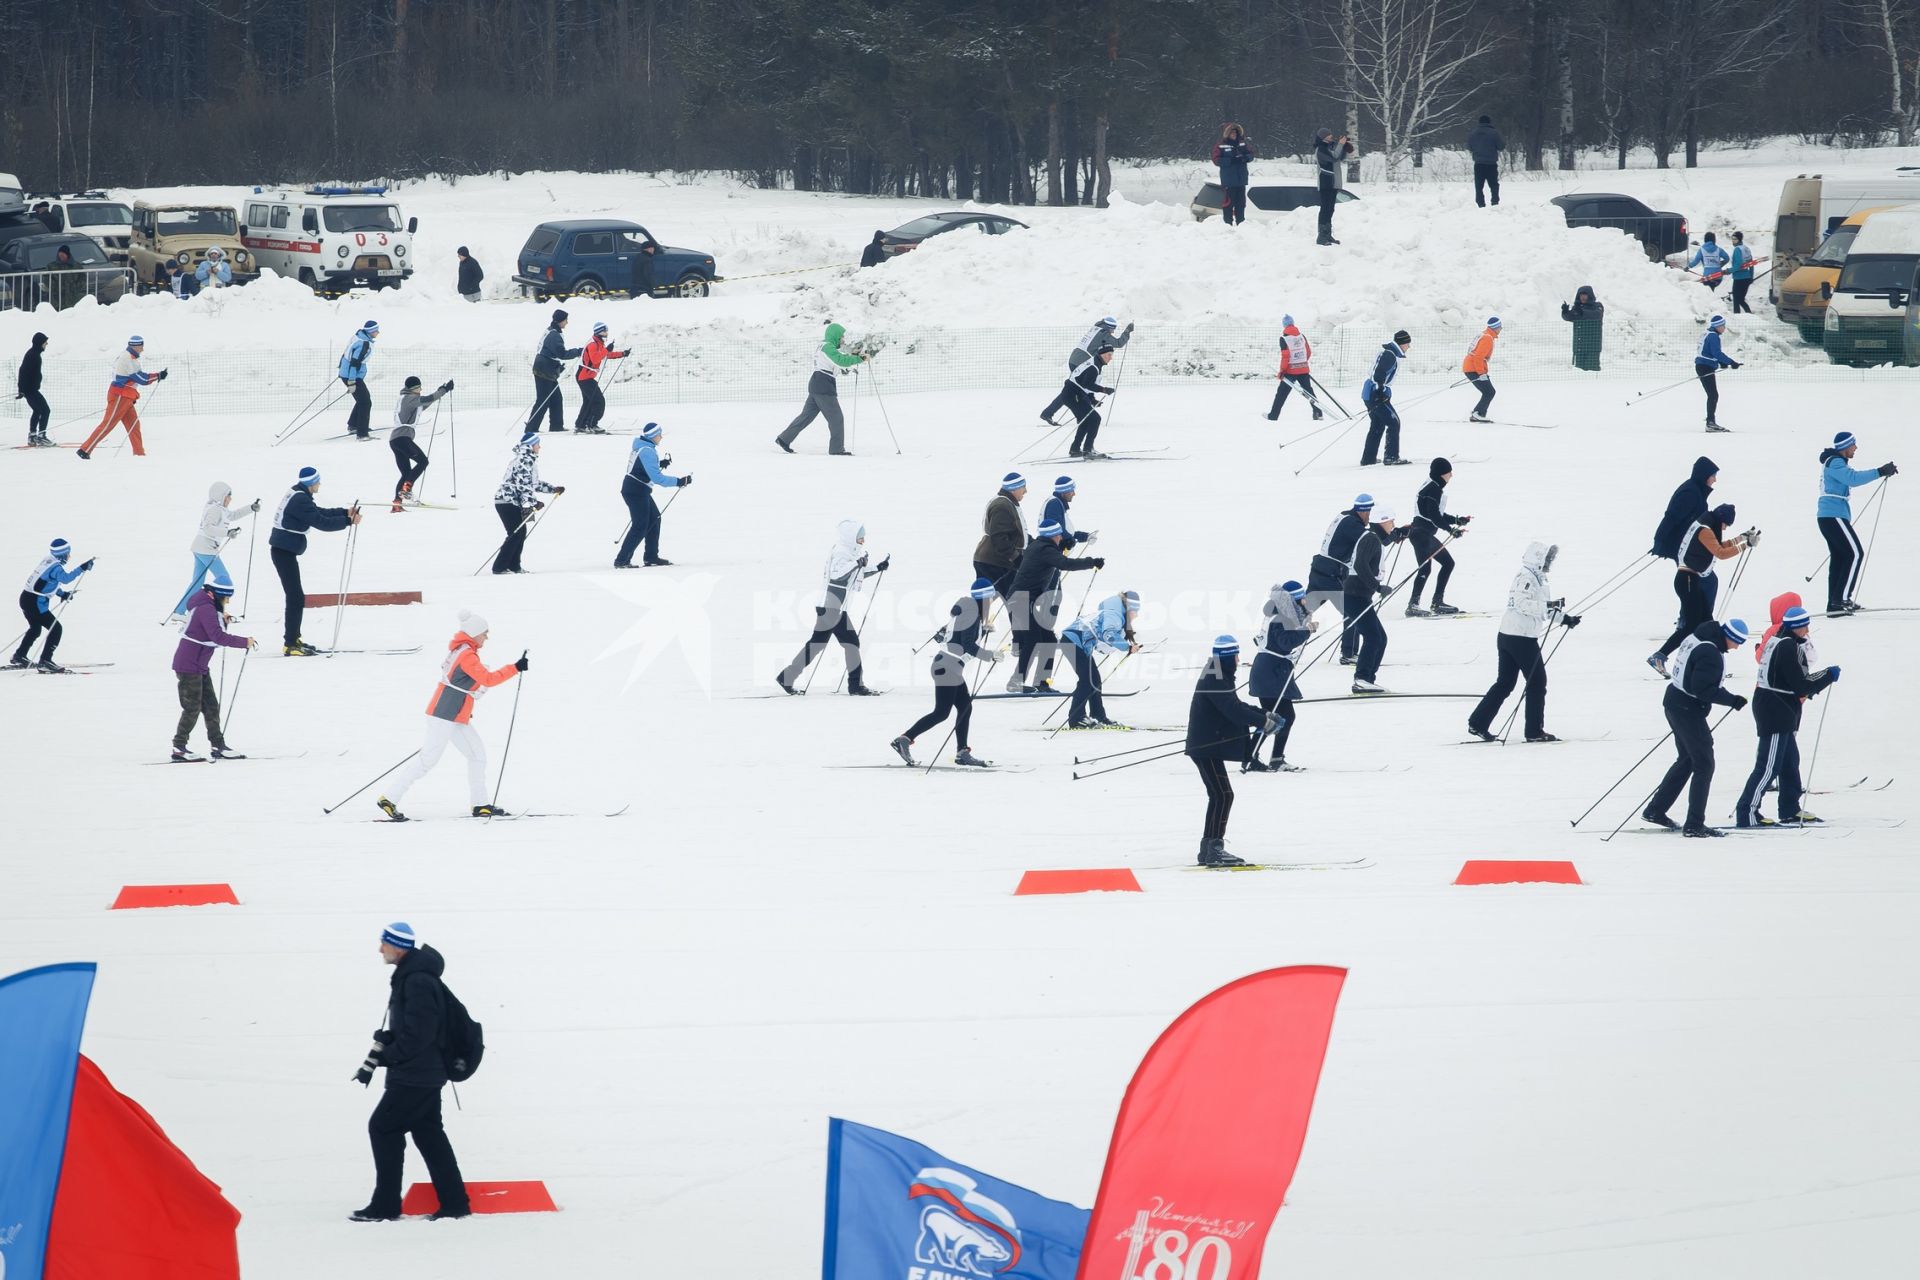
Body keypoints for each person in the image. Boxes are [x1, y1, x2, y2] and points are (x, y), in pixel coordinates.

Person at [349, 923, 472, 1222]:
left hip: (416, 1075)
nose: (380, 950)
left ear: (398, 946)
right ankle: (455, 1203)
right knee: (429, 1134)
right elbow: (417, 1030)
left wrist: (388, 1056)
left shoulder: (416, 981)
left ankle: (386, 1206)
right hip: (424, 1072)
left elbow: (421, 1034)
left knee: (383, 1127)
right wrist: (392, 1038)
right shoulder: (414, 977)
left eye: (384, 944)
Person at [376, 612, 525, 820]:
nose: (486, 638)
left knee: (477, 755)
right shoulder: (467, 655)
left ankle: (480, 805)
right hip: (444, 714)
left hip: (455, 716)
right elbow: (487, 679)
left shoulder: (463, 650)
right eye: (484, 633)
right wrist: (515, 668)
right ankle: (389, 798)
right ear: (474, 633)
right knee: (427, 760)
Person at [1643, 617, 1750, 837]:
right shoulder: (1710, 652)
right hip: (1686, 709)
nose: (1737, 647)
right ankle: (1694, 824)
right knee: (1704, 763)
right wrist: (1732, 700)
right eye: (1737, 642)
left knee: (1688, 759)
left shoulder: (1699, 636)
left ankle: (1655, 810)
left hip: (1675, 703)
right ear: (1728, 637)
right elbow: (1702, 689)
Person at [1734, 606, 1837, 828]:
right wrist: (1827, 676)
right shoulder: (1787, 646)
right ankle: (1747, 813)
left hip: (1779, 707)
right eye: (1806, 625)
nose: (1808, 629)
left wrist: (1824, 675)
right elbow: (1800, 686)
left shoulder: (1781, 640)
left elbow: (1797, 680)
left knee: (1789, 762)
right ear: (1797, 627)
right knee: (1768, 766)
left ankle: (1790, 809)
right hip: (1775, 710)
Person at [1466, 542, 1578, 743]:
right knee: (1537, 682)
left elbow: (1544, 608)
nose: (1550, 563)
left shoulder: (1537, 579)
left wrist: (1565, 619)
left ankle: (1478, 723)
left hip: (1509, 635)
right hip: (1520, 638)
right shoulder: (1526, 578)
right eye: (1548, 559)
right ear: (1537, 559)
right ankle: (1534, 731)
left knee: (1505, 683)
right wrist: (1549, 605)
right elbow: (1522, 604)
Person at [1185, 635, 1277, 867]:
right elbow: (1232, 710)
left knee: (1220, 795)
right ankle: (1214, 850)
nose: (1238, 660)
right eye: (1236, 655)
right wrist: (1262, 722)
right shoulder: (1215, 677)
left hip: (1206, 744)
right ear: (1228, 657)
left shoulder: (1216, 673)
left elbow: (1233, 704)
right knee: (1223, 795)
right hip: (1206, 747)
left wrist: (1262, 714)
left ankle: (1208, 849)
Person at [890, 578, 997, 767]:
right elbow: (967, 645)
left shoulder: (970, 609)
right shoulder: (972, 613)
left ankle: (962, 752)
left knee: (965, 707)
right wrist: (990, 655)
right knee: (941, 712)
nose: (992, 602)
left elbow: (957, 636)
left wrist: (983, 629)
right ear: (983, 598)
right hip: (947, 667)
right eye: (990, 598)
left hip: (948, 666)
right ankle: (904, 739)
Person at [776, 520, 888, 695]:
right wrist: (857, 563)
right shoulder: (841, 553)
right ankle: (856, 686)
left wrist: (877, 568)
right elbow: (837, 575)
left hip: (833, 607)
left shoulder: (850, 553)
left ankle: (786, 677)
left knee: (818, 644)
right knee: (851, 644)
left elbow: (854, 575)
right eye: (860, 537)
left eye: (863, 537)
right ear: (851, 537)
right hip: (831, 606)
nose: (863, 540)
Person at [1649, 503, 1753, 674]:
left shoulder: (1707, 526)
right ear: (1721, 520)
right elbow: (1720, 552)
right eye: (1726, 525)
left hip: (1691, 580)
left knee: (1707, 623)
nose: (1725, 528)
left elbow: (1719, 545)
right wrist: (1745, 545)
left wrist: (1741, 538)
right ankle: (1660, 656)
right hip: (1687, 580)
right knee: (1691, 626)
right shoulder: (1705, 530)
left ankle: (1713, 663)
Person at [1004, 519, 1104, 692]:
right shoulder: (1044, 550)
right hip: (1021, 600)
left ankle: (1041, 683)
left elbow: (1052, 557)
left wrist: (1061, 547)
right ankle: (1015, 683)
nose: (1060, 537)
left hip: (1022, 600)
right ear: (1054, 535)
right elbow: (1065, 564)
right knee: (1033, 640)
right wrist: (1092, 562)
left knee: (1048, 639)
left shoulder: (1038, 546)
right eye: (1059, 535)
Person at [269, 467, 360, 655]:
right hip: (283, 552)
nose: (320, 484)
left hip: (285, 550)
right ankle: (290, 643)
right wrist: (348, 522)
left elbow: (319, 512)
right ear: (312, 483)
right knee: (295, 597)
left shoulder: (299, 493)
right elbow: (321, 522)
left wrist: (345, 512)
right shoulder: (301, 499)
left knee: (296, 597)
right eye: (318, 481)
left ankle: (294, 638)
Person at [170, 580, 255, 761]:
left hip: (199, 665)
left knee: (210, 706)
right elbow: (217, 636)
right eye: (226, 598)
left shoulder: (208, 606)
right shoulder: (206, 609)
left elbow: (212, 632)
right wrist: (244, 642)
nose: (227, 602)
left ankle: (218, 744)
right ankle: (179, 747)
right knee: (192, 707)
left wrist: (224, 621)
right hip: (188, 665)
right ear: (216, 595)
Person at [1815, 431, 1898, 615]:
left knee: (1840, 557)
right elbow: (1852, 478)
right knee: (1855, 552)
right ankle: (1841, 600)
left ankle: (1834, 604)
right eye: (1853, 445)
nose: (1856, 448)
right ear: (1846, 446)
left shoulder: (1834, 462)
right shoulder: (1835, 462)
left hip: (1831, 516)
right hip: (1832, 515)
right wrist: (1880, 471)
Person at [774, 321, 865, 455]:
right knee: (836, 418)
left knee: (806, 416)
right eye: (842, 337)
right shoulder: (827, 347)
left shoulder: (825, 347)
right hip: (824, 385)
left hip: (818, 383)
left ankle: (784, 439)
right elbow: (840, 360)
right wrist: (859, 359)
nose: (843, 340)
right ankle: (836, 449)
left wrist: (855, 358)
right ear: (835, 336)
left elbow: (837, 363)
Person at [1249, 581, 1312, 770]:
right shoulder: (1279, 617)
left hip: (1271, 670)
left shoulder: (1280, 613)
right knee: (1275, 717)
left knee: (1278, 716)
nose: (1304, 603)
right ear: (1292, 600)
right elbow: (1284, 643)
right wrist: (1306, 631)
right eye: (1301, 600)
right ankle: (1256, 757)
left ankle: (1265, 757)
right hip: (1270, 671)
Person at [173, 481, 258, 618]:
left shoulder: (221, 509)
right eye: (228, 496)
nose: (230, 499)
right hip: (206, 548)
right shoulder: (214, 509)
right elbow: (208, 527)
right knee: (224, 579)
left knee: (197, 582)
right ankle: (217, 612)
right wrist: (227, 533)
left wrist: (251, 508)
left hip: (203, 548)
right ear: (221, 496)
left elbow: (234, 515)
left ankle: (179, 612)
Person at [1303, 494, 1373, 661]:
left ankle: (1271, 636)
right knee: (1352, 610)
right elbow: (1371, 541)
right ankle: (1348, 654)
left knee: (1304, 610)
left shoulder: (1345, 516)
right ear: (1364, 512)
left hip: (1320, 569)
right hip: (1332, 574)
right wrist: (1394, 534)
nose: (1370, 517)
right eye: (1370, 513)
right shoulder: (1353, 524)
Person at [1344, 505, 1405, 693]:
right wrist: (1377, 586)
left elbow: (1385, 541)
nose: (1393, 524)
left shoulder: (1374, 536)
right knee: (1373, 637)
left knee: (1380, 638)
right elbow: (1360, 564)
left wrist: (1402, 534)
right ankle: (1362, 678)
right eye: (1391, 521)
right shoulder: (1370, 538)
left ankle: (1367, 679)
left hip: (1359, 595)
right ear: (1381, 521)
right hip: (1354, 595)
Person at [11, 538, 94, 672]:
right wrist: (82, 568)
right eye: (68, 554)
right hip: (35, 603)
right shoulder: (56, 567)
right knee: (56, 629)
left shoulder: (48, 561)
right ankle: (45, 661)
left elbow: (48, 583)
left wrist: (62, 594)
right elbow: (65, 579)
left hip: (26, 599)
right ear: (62, 554)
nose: (69, 556)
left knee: (35, 629)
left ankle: (19, 656)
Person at [77, 334, 166, 459]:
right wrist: (158, 375)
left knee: (134, 425)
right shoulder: (127, 358)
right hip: (120, 395)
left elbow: (140, 376)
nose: (143, 349)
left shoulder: (132, 358)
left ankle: (139, 453)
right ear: (136, 346)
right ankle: (84, 449)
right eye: (142, 346)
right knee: (108, 424)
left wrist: (157, 375)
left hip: (126, 397)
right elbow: (140, 379)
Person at [614, 422, 688, 568]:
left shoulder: (644, 447)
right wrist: (680, 481)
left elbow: (642, 467)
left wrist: (660, 463)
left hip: (638, 489)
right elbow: (657, 479)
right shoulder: (647, 450)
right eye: (659, 434)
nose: (661, 437)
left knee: (654, 518)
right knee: (640, 526)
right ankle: (622, 560)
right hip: (636, 490)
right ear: (653, 436)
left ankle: (651, 557)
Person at [1061, 590, 1139, 727]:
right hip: (1073, 642)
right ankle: (1076, 719)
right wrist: (1127, 647)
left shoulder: (1114, 612)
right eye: (1135, 611)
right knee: (1086, 681)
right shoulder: (1114, 614)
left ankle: (1098, 715)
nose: (1136, 615)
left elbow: (1102, 639)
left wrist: (1124, 646)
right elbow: (1108, 634)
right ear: (1129, 608)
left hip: (1077, 643)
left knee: (1094, 680)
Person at [1405, 457, 1470, 616]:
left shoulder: (1432, 486)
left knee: (1430, 568)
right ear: (1441, 474)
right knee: (1444, 564)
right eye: (1449, 473)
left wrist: (1457, 520)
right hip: (1421, 534)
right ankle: (1423, 604)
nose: (1451, 476)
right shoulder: (1433, 489)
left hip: (1421, 534)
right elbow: (1434, 516)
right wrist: (1451, 530)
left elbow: (1437, 514)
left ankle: (1425, 603)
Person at [1040, 316, 1134, 424]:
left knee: (1080, 385)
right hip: (1081, 361)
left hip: (1074, 358)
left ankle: (1088, 402)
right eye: (1113, 329)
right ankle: (1052, 413)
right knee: (1073, 389)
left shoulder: (1096, 328)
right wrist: (1127, 331)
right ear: (1109, 327)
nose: (1112, 332)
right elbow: (1119, 343)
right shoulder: (1104, 333)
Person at [492, 435, 563, 575]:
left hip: (511, 501)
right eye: (538, 444)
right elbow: (522, 485)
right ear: (531, 446)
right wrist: (533, 503)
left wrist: (553, 489)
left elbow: (533, 484)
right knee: (515, 533)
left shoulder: (528, 460)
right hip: (506, 501)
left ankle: (514, 566)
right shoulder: (524, 460)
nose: (539, 447)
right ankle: (499, 567)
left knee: (519, 533)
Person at [389, 376, 454, 512]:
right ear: (413, 389)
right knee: (423, 461)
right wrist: (444, 390)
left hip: (396, 440)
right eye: (419, 387)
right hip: (402, 439)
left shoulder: (408, 399)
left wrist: (440, 391)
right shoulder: (409, 398)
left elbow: (426, 403)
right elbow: (427, 399)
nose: (421, 389)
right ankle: (406, 489)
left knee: (406, 472)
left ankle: (397, 503)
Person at [1650, 456, 1719, 562]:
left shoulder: (1697, 491)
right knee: (1706, 579)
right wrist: (1660, 540)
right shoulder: (1690, 493)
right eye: (1713, 476)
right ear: (1704, 475)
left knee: (1708, 579)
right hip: (1683, 547)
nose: (1715, 480)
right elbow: (1671, 517)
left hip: (1689, 547)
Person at [972, 473, 1029, 601]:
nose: (1025, 491)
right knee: (1016, 602)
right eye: (1023, 487)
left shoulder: (1007, 503)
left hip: (996, 561)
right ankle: (966, 619)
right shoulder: (1002, 505)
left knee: (1012, 601)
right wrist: (1016, 558)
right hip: (995, 563)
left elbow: (1016, 533)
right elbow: (999, 537)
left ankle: (971, 619)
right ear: (1014, 489)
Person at [1359, 330, 1410, 466]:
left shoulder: (1390, 352)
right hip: (1375, 393)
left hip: (1370, 393)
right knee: (1394, 422)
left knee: (1378, 424)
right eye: (1408, 344)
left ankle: (1368, 459)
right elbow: (1378, 374)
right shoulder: (1390, 355)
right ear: (1403, 343)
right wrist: (1380, 391)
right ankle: (1391, 457)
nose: (1408, 347)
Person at [528, 310, 582, 433]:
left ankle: (556, 426)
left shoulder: (553, 331)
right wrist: (578, 351)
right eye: (566, 320)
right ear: (560, 320)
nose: (567, 322)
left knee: (556, 398)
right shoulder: (554, 335)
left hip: (547, 370)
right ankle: (531, 428)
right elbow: (562, 353)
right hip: (544, 370)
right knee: (543, 400)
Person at [573, 321, 628, 434]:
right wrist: (606, 349)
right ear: (599, 332)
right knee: (599, 401)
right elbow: (595, 359)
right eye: (605, 331)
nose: (607, 333)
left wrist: (622, 354)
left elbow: (606, 355)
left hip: (586, 376)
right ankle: (592, 424)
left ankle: (581, 425)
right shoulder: (592, 344)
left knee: (588, 401)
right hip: (584, 377)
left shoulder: (599, 343)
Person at [1062, 347, 1117, 458]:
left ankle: (1075, 449)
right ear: (1102, 355)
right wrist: (1104, 389)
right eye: (1109, 355)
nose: (1111, 358)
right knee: (1095, 419)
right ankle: (1088, 449)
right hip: (1073, 395)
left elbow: (1086, 384)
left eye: (1111, 355)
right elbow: (1087, 384)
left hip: (1074, 394)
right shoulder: (1093, 367)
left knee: (1086, 421)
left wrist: (1092, 399)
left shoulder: (1095, 363)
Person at [1267, 315, 1321, 421]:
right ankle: (1318, 413)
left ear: (1284, 325)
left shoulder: (1284, 338)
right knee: (1309, 392)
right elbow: (1308, 352)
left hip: (1290, 371)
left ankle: (1273, 416)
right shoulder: (1302, 336)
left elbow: (1285, 356)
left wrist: (1282, 371)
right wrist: (1302, 363)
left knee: (1281, 394)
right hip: (1303, 369)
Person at [1694, 315, 1738, 432]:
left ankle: (1710, 420)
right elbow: (1717, 353)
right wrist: (1731, 362)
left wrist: (1721, 362)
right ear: (1718, 326)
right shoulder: (1714, 336)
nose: (1724, 328)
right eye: (1723, 326)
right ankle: (1710, 423)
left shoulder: (1707, 333)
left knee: (1712, 395)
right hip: (1705, 367)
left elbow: (1709, 351)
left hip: (1702, 365)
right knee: (1713, 395)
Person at [1312, 128, 1355, 246]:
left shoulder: (1328, 147)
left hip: (1333, 183)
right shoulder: (1320, 149)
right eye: (1329, 136)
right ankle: (1321, 237)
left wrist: (1344, 147)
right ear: (1323, 137)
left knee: (1330, 209)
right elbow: (1334, 157)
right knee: (1325, 210)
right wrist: (1340, 144)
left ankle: (1327, 234)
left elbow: (1339, 157)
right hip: (1326, 183)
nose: (1331, 137)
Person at [338, 319, 378, 441]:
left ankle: (354, 425)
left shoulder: (359, 336)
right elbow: (354, 363)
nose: (378, 333)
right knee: (365, 402)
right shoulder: (364, 343)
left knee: (362, 400)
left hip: (349, 374)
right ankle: (362, 434)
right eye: (376, 331)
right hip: (352, 376)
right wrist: (351, 382)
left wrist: (343, 371)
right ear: (371, 332)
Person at [1212, 123, 1254, 226]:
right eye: (1231, 132)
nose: (1234, 134)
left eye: (1235, 132)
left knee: (1241, 204)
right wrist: (1230, 161)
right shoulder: (1220, 145)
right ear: (1227, 134)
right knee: (1228, 205)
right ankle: (1228, 225)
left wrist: (1245, 158)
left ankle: (1241, 224)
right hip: (1229, 182)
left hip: (1241, 180)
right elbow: (1216, 160)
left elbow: (1252, 154)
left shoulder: (1243, 143)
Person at [1462, 316, 1501, 422]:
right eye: (1500, 326)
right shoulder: (1487, 338)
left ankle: (1479, 414)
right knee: (1489, 392)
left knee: (1488, 391)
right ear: (1495, 327)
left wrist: (1483, 371)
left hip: (1471, 367)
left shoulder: (1485, 335)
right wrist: (1481, 373)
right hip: (1473, 368)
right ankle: (1478, 413)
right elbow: (1478, 357)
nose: (1501, 329)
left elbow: (1478, 356)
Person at [1040, 475, 1094, 547]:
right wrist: (1068, 540)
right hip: (1051, 549)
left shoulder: (1058, 503)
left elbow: (1065, 530)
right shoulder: (1054, 504)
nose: (1074, 494)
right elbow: (1054, 530)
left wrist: (1085, 536)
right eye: (1072, 491)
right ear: (1064, 492)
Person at [17, 331, 50, 447]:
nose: (46, 344)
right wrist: (21, 389)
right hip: (30, 390)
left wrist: (22, 389)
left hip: (29, 390)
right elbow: (23, 372)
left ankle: (32, 436)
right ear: (40, 343)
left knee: (38, 410)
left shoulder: (33, 354)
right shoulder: (33, 355)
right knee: (45, 410)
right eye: (45, 342)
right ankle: (41, 436)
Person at [1560, 284, 1604, 371]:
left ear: (1590, 295)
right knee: (1579, 372)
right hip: (1579, 347)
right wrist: (1565, 312)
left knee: (1592, 370)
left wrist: (1581, 312)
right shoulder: (1577, 308)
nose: (1583, 297)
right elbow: (1569, 317)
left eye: (1585, 295)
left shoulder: (1597, 306)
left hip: (1593, 347)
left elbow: (1596, 315)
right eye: (1581, 295)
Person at [1467, 115, 1503, 206]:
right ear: (1489, 122)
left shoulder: (1473, 133)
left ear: (1479, 122)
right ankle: (1495, 202)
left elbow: (1469, 147)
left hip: (1479, 163)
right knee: (1494, 184)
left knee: (1479, 186)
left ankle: (1480, 203)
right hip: (1491, 163)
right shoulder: (1494, 133)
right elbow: (1501, 146)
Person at [1728, 231, 1756, 314]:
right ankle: (1749, 314)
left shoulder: (1737, 249)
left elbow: (1738, 266)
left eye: (1735, 239)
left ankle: (1737, 317)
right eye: (1732, 239)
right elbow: (1751, 264)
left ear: (1739, 239)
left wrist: (1728, 270)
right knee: (1740, 300)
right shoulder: (1746, 248)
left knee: (1737, 300)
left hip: (1739, 278)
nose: (1733, 241)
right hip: (1746, 277)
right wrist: (1751, 276)